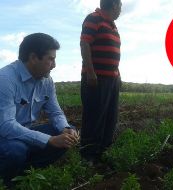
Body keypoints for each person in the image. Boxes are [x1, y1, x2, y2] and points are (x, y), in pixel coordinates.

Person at [0, 33, 79, 184]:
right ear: (33, 58)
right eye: (51, 59)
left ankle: (23, 175)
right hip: (3, 136)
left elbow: (55, 112)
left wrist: (65, 128)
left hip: (23, 132)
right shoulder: (5, 79)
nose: (54, 65)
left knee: (66, 136)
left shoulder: (46, 81)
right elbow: (6, 126)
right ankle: (6, 182)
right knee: (16, 150)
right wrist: (49, 140)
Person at [80, 0, 122, 164]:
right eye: (120, 7)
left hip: (112, 79)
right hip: (96, 79)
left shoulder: (113, 26)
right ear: (114, 6)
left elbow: (113, 54)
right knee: (94, 116)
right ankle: (88, 155)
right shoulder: (93, 18)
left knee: (110, 116)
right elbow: (85, 44)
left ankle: (104, 152)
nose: (120, 11)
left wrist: (118, 75)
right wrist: (90, 72)